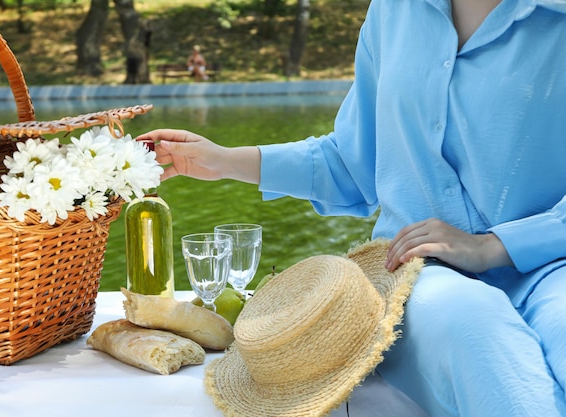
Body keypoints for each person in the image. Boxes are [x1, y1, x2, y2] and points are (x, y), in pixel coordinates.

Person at [137, 0, 566, 415]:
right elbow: (353, 163)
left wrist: (494, 245)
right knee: (473, 329)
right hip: (423, 274)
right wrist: (224, 160)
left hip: (552, 266)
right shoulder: (393, 11)